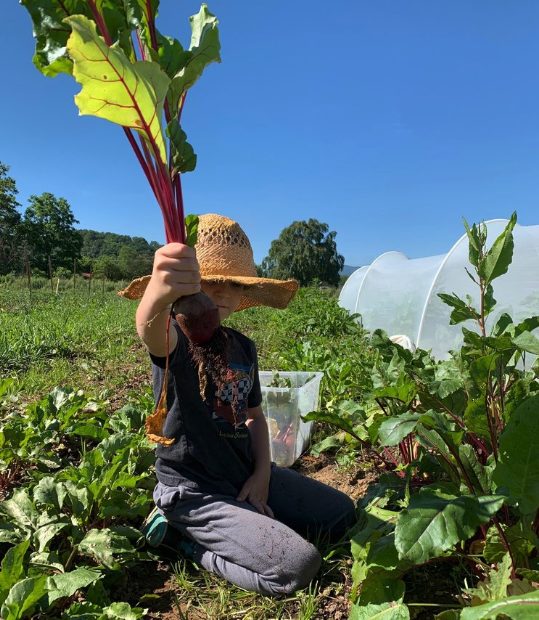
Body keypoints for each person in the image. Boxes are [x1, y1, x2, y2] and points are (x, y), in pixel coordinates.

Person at [121, 214, 356, 597]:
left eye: (233, 283)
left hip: (243, 475)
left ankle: (246, 522)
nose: (223, 292)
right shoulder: (177, 338)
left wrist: (262, 472)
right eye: (211, 282)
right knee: (297, 566)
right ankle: (184, 541)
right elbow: (149, 328)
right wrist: (157, 297)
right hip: (195, 490)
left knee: (342, 513)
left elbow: (255, 417)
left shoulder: (243, 347)